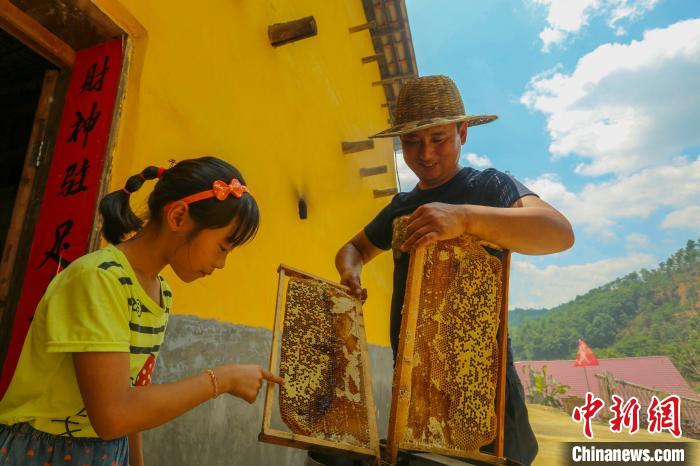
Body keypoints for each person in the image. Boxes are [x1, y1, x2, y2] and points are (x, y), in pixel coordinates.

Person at [334, 76, 574, 465]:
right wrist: (350, 275)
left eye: (438, 138)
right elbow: (353, 249)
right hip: (416, 394)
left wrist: (463, 218)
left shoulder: (491, 187)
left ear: (463, 132)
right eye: (412, 141)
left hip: (486, 400)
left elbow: (558, 232)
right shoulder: (401, 206)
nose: (425, 153)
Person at [0, 156, 284, 466]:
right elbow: (113, 415)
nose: (221, 264)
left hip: (107, 454)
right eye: (223, 247)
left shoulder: (160, 292)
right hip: (42, 453)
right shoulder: (99, 279)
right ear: (178, 217)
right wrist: (222, 379)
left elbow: (134, 396)